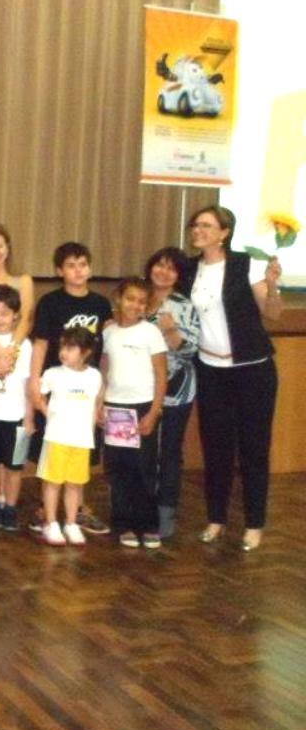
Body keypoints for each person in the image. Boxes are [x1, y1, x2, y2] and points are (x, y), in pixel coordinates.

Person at [185, 204, 283, 552]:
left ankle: (254, 524)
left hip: (253, 370)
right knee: (216, 450)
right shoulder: (189, 269)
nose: (198, 230)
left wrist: (273, 287)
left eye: (207, 225)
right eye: (196, 225)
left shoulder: (245, 264)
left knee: (254, 449)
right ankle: (216, 520)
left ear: (224, 232)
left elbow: (272, 314)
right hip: (211, 372)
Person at [27, 242, 112, 536]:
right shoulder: (51, 302)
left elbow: (104, 352)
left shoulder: (101, 305)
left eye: (83, 264)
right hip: (57, 389)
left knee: (80, 451)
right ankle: (46, 510)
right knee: (50, 449)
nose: (78, 270)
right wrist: (35, 386)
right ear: (59, 270)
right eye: (71, 265)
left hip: (86, 392)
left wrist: (102, 395)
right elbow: (40, 344)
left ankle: (77, 511)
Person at [100, 278, 168, 549]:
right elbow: (104, 371)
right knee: (118, 469)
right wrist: (100, 405)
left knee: (144, 469)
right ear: (119, 299)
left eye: (142, 301)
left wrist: (153, 413)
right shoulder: (108, 333)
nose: (135, 305)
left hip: (142, 408)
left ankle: (148, 524)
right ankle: (123, 524)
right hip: (115, 409)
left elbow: (162, 376)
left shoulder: (150, 333)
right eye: (131, 299)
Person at [144, 247, 200, 539]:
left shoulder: (183, 305)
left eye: (171, 268)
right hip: (138, 388)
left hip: (175, 391)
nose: (163, 272)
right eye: (159, 265)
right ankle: (140, 510)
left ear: (179, 275)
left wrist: (172, 333)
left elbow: (191, 351)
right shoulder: (137, 298)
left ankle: (165, 514)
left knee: (168, 452)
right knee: (142, 451)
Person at [35, 327, 103, 546]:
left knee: (75, 483)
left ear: (85, 352)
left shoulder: (94, 376)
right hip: (57, 438)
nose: (63, 352)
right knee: (52, 482)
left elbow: (95, 406)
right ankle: (51, 523)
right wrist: (48, 414)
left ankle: (71, 523)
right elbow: (38, 397)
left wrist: (91, 432)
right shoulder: (53, 374)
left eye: (70, 347)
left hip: (81, 440)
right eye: (62, 346)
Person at [0, 284, 33, 532]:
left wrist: (29, 418)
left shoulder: (25, 346)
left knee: (14, 467)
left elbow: (29, 384)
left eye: (5, 313)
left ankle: (10, 507)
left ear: (15, 315)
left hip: (17, 416)